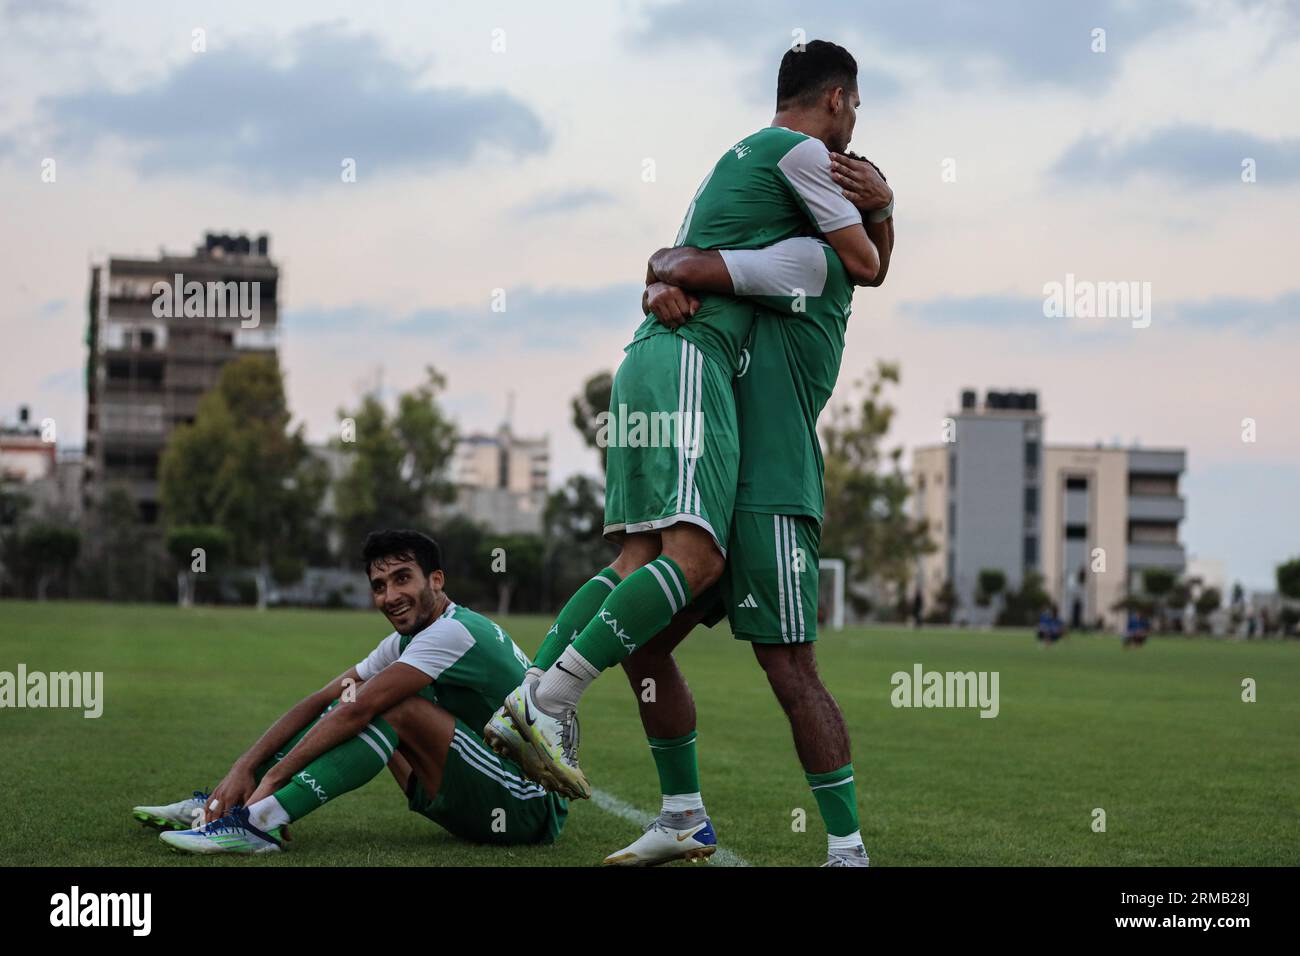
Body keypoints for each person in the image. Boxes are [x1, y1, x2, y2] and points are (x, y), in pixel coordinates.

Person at [485, 40, 891, 815]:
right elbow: (866, 263)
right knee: (698, 567)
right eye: (855, 112)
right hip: (687, 373)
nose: (849, 148)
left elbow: (690, 261)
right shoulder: (803, 165)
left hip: (648, 365)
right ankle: (550, 701)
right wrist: (880, 202)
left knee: (640, 567)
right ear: (836, 100)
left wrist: (658, 274)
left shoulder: (743, 179)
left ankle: (543, 704)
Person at [133, 529, 566, 854]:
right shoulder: (410, 639)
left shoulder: (453, 632)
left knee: (389, 706)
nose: (391, 595)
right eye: (380, 586)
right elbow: (325, 699)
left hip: (526, 805)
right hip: (473, 789)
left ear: (436, 579)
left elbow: (363, 709)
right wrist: (243, 768)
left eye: (402, 579)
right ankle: (222, 803)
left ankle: (259, 822)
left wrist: (273, 779)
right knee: (354, 696)